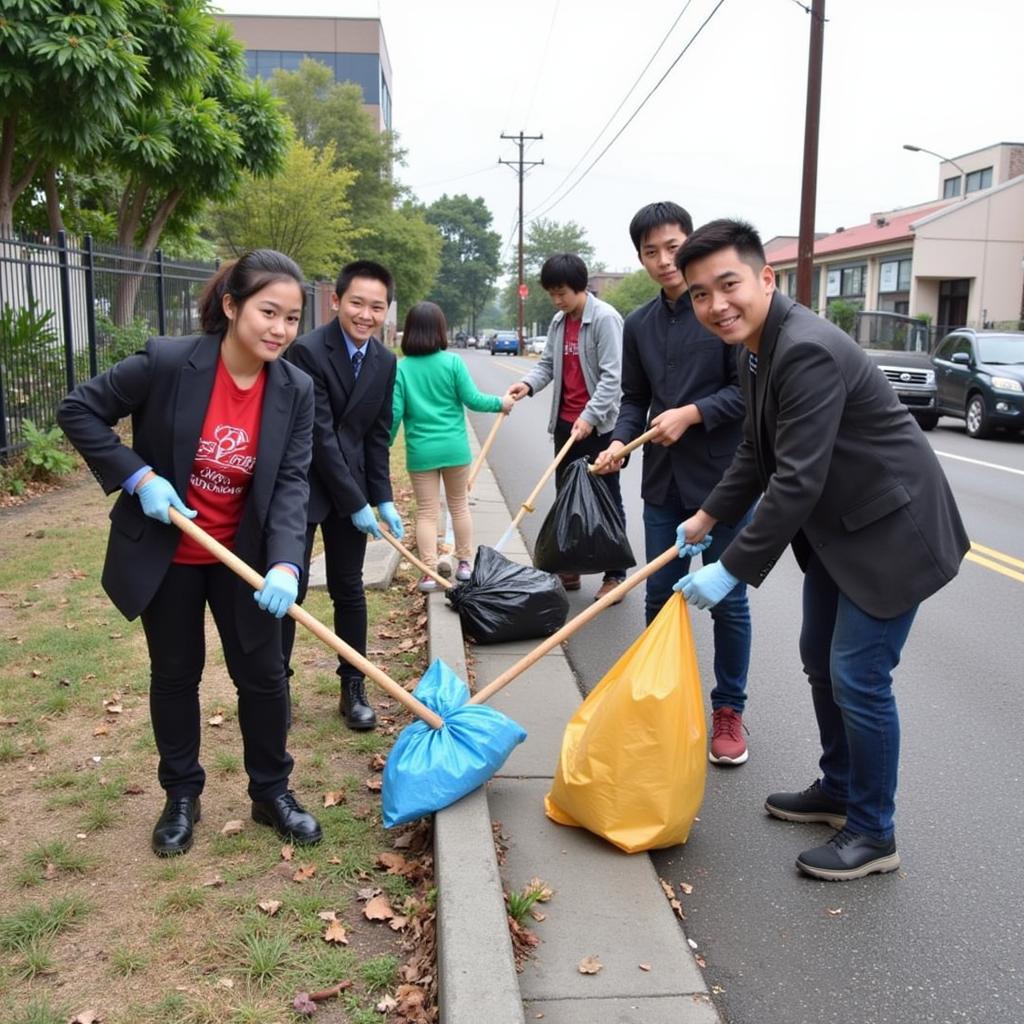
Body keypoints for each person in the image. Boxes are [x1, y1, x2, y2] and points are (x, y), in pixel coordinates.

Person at [672, 219, 969, 880]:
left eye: (728, 285)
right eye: (699, 294)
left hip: (894, 531)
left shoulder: (804, 348)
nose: (715, 304)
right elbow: (757, 450)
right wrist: (705, 515)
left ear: (765, 279)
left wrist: (730, 570)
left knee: (860, 675)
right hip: (844, 532)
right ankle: (839, 790)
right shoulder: (756, 348)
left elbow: (796, 478)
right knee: (819, 659)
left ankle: (874, 832)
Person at [57, 249, 323, 857]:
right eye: (267, 312)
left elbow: (290, 483)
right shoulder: (169, 362)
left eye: (291, 317)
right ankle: (181, 795)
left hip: (245, 559)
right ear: (231, 307)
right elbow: (80, 409)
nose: (280, 329)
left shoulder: (295, 388)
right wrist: (138, 477)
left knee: (262, 676)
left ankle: (271, 791)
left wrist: (286, 561)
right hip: (171, 555)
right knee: (175, 675)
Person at [593, 202, 753, 766]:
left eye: (673, 247)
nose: (664, 261)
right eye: (650, 251)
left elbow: (746, 396)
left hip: (725, 481)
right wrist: (619, 440)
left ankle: (729, 711)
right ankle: (656, 703)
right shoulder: (638, 324)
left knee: (728, 600)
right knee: (659, 596)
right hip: (661, 483)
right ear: (638, 256)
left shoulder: (724, 314)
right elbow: (635, 399)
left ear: (691, 243)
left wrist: (692, 413)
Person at [283, 260, 404, 732]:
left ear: (386, 311)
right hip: (302, 486)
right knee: (289, 590)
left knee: (349, 588)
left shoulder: (384, 361)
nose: (365, 314)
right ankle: (279, 687)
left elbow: (376, 436)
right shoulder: (307, 352)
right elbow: (319, 434)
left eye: (377, 307)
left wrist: (383, 497)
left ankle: (352, 685)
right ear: (336, 301)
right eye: (357, 303)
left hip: (350, 488)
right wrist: (357, 502)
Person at [507, 253, 625, 602]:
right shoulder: (560, 322)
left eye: (562, 293)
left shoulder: (605, 319)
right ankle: (569, 565)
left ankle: (615, 575)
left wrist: (589, 417)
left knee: (605, 497)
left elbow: (612, 379)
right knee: (568, 497)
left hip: (600, 427)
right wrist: (526, 385)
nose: (557, 301)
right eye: (552, 294)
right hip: (565, 424)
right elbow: (546, 366)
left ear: (580, 286)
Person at [390, 301, 516, 592]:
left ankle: (428, 571)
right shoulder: (453, 363)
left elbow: (394, 414)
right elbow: (473, 399)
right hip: (455, 449)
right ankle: (464, 564)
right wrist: (501, 403)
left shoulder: (402, 369)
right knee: (459, 506)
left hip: (421, 451)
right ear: (440, 331)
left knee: (426, 512)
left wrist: (381, 446)